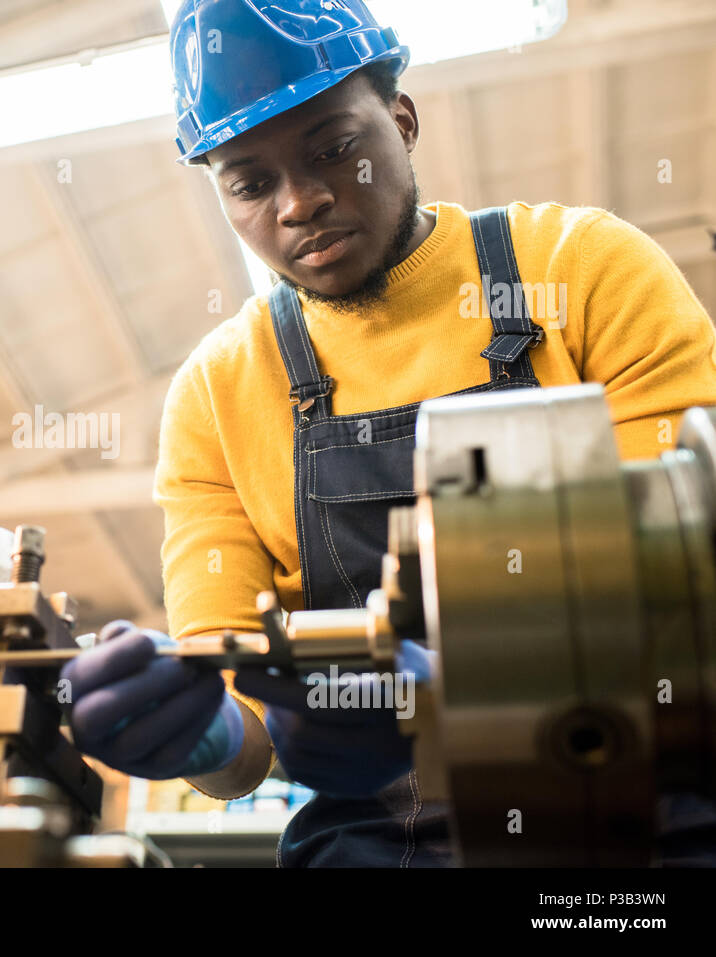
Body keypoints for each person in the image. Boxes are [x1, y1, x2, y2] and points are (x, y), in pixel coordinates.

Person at [62, 0, 716, 866]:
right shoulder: (217, 395)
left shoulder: (584, 271)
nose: (301, 202)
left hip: (644, 817)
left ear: (402, 120)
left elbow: (690, 600)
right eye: (251, 182)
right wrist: (193, 733)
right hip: (382, 839)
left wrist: (464, 701)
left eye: (333, 147)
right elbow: (242, 734)